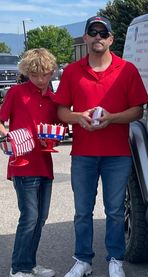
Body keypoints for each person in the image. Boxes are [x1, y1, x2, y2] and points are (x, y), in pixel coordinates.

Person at [53, 16, 148, 277]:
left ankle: (115, 260)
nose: (97, 36)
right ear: (85, 37)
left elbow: (138, 110)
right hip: (83, 154)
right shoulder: (72, 72)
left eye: (102, 32)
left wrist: (112, 118)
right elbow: (61, 110)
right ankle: (83, 260)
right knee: (82, 212)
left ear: (110, 39)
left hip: (117, 154)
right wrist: (79, 117)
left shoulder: (127, 69)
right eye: (92, 32)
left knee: (115, 212)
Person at [0, 48, 58, 277]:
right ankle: (19, 267)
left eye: (45, 74)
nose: (41, 79)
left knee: (40, 218)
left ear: (52, 72)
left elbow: (57, 126)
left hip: (45, 163)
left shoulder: (53, 98)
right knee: (29, 217)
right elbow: (0, 120)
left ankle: (30, 263)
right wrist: (6, 137)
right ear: (27, 73)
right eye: (35, 75)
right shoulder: (16, 93)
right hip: (23, 164)